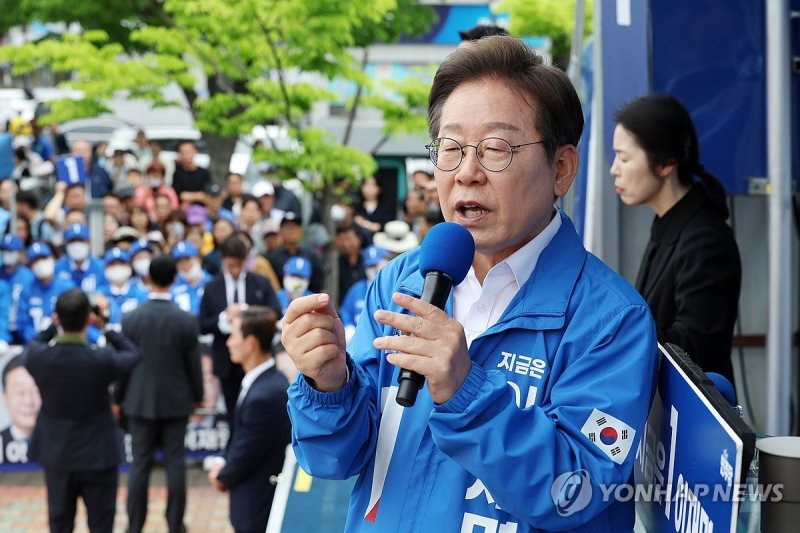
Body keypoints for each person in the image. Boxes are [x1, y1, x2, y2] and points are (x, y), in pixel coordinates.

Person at [282, 36, 658, 531]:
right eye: (451, 149)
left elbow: (575, 492)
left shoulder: (611, 321)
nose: (466, 173)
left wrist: (464, 389)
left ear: (561, 169)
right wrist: (328, 385)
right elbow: (334, 459)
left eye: (496, 149)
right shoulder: (401, 279)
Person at [611, 93, 742, 385]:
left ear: (665, 163)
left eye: (624, 157)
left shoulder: (705, 240)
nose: (614, 169)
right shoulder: (669, 223)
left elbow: (696, 349)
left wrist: (615, 327)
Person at [22, 289, 140, 532]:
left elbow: (33, 344)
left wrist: (52, 327)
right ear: (89, 318)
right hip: (98, 453)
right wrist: (105, 326)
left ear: (57, 317)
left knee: (60, 523)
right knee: (101, 524)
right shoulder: (101, 359)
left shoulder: (39, 357)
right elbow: (132, 354)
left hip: (57, 452)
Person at [116, 255, 204, 533]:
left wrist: (118, 399)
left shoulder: (131, 318)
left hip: (138, 401)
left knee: (139, 466)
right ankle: (175, 525)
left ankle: (134, 525)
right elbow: (194, 365)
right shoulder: (186, 320)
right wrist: (197, 396)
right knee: (175, 464)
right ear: (174, 280)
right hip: (176, 401)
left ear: (148, 279)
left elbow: (124, 365)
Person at [207, 307, 291, 533]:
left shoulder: (265, 395)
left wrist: (222, 476)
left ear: (251, 342)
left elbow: (247, 451)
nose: (228, 343)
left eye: (233, 336)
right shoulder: (264, 381)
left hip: (257, 504)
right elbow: (240, 436)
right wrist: (222, 461)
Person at [17, 242, 75, 343]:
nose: (40, 263)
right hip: (36, 344)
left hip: (64, 343)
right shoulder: (26, 290)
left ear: (52, 258)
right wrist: (38, 340)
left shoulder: (67, 287)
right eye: (35, 260)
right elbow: (22, 325)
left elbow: (76, 319)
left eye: (43, 258)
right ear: (30, 265)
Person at [1, 355, 41, 464]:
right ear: (4, 396)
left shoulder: (64, 443)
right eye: (20, 392)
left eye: (37, 390)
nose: (29, 401)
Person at [0, 234, 35, 345]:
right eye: (3, 250)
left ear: (19, 253)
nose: (6, 254)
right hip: (2, 332)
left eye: (10, 251)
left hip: (23, 332)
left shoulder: (29, 277)